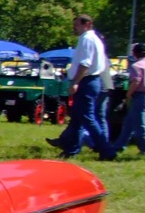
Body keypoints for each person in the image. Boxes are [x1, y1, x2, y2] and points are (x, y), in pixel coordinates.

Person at [47, 14, 115, 160]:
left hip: (86, 81)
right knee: (77, 119)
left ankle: (107, 150)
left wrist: (75, 82)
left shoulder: (87, 39)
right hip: (91, 81)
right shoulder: (94, 39)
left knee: (88, 118)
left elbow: (85, 63)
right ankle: (70, 149)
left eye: (77, 25)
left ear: (87, 24)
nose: (75, 28)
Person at [111, 42, 145, 155]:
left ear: (135, 53)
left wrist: (128, 94)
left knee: (140, 125)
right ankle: (119, 145)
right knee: (128, 123)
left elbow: (136, 81)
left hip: (140, 95)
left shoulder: (137, 66)